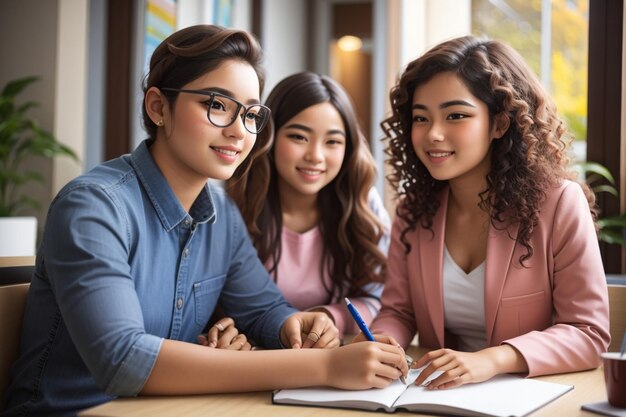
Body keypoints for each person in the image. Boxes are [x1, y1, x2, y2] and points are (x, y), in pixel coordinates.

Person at [2, 25, 408, 417]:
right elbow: (123, 359)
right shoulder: (94, 207)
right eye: (216, 105)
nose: (238, 131)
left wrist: (297, 325)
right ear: (159, 107)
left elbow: (263, 309)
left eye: (250, 113)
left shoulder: (221, 214)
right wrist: (325, 367)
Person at [359, 35, 610, 389]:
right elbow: (399, 312)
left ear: (499, 124)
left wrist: (492, 360)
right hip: (436, 396)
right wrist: (382, 342)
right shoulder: (414, 210)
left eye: (456, 115)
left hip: (534, 397)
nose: (433, 134)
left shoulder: (560, 204)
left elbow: (588, 333)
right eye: (420, 118)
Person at [225, 72, 390, 338]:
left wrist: (325, 318)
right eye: (299, 137)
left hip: (331, 354)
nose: (315, 156)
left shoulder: (363, 203)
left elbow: (376, 300)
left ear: (348, 149)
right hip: (255, 359)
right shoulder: (232, 205)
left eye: (333, 142)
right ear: (270, 135)